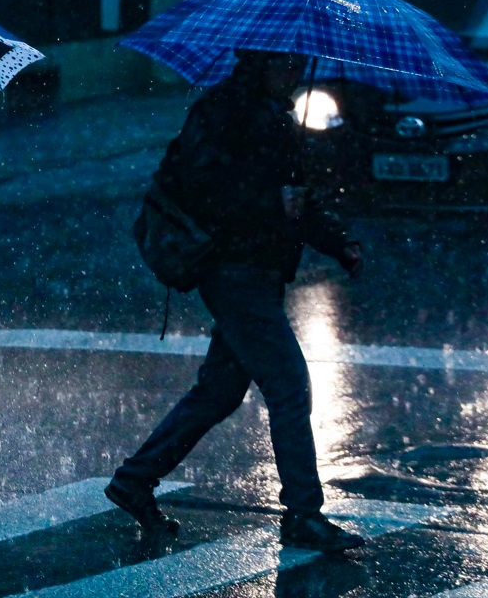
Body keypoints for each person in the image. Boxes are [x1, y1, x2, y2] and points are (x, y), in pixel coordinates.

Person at [106, 49, 366, 552]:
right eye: (285, 63)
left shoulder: (276, 114)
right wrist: (272, 203)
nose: (294, 72)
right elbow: (207, 190)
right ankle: (303, 515)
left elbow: (296, 196)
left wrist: (338, 241)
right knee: (289, 384)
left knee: (220, 392)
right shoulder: (223, 111)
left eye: (298, 64)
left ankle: (135, 479)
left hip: (260, 270)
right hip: (231, 269)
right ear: (257, 63)